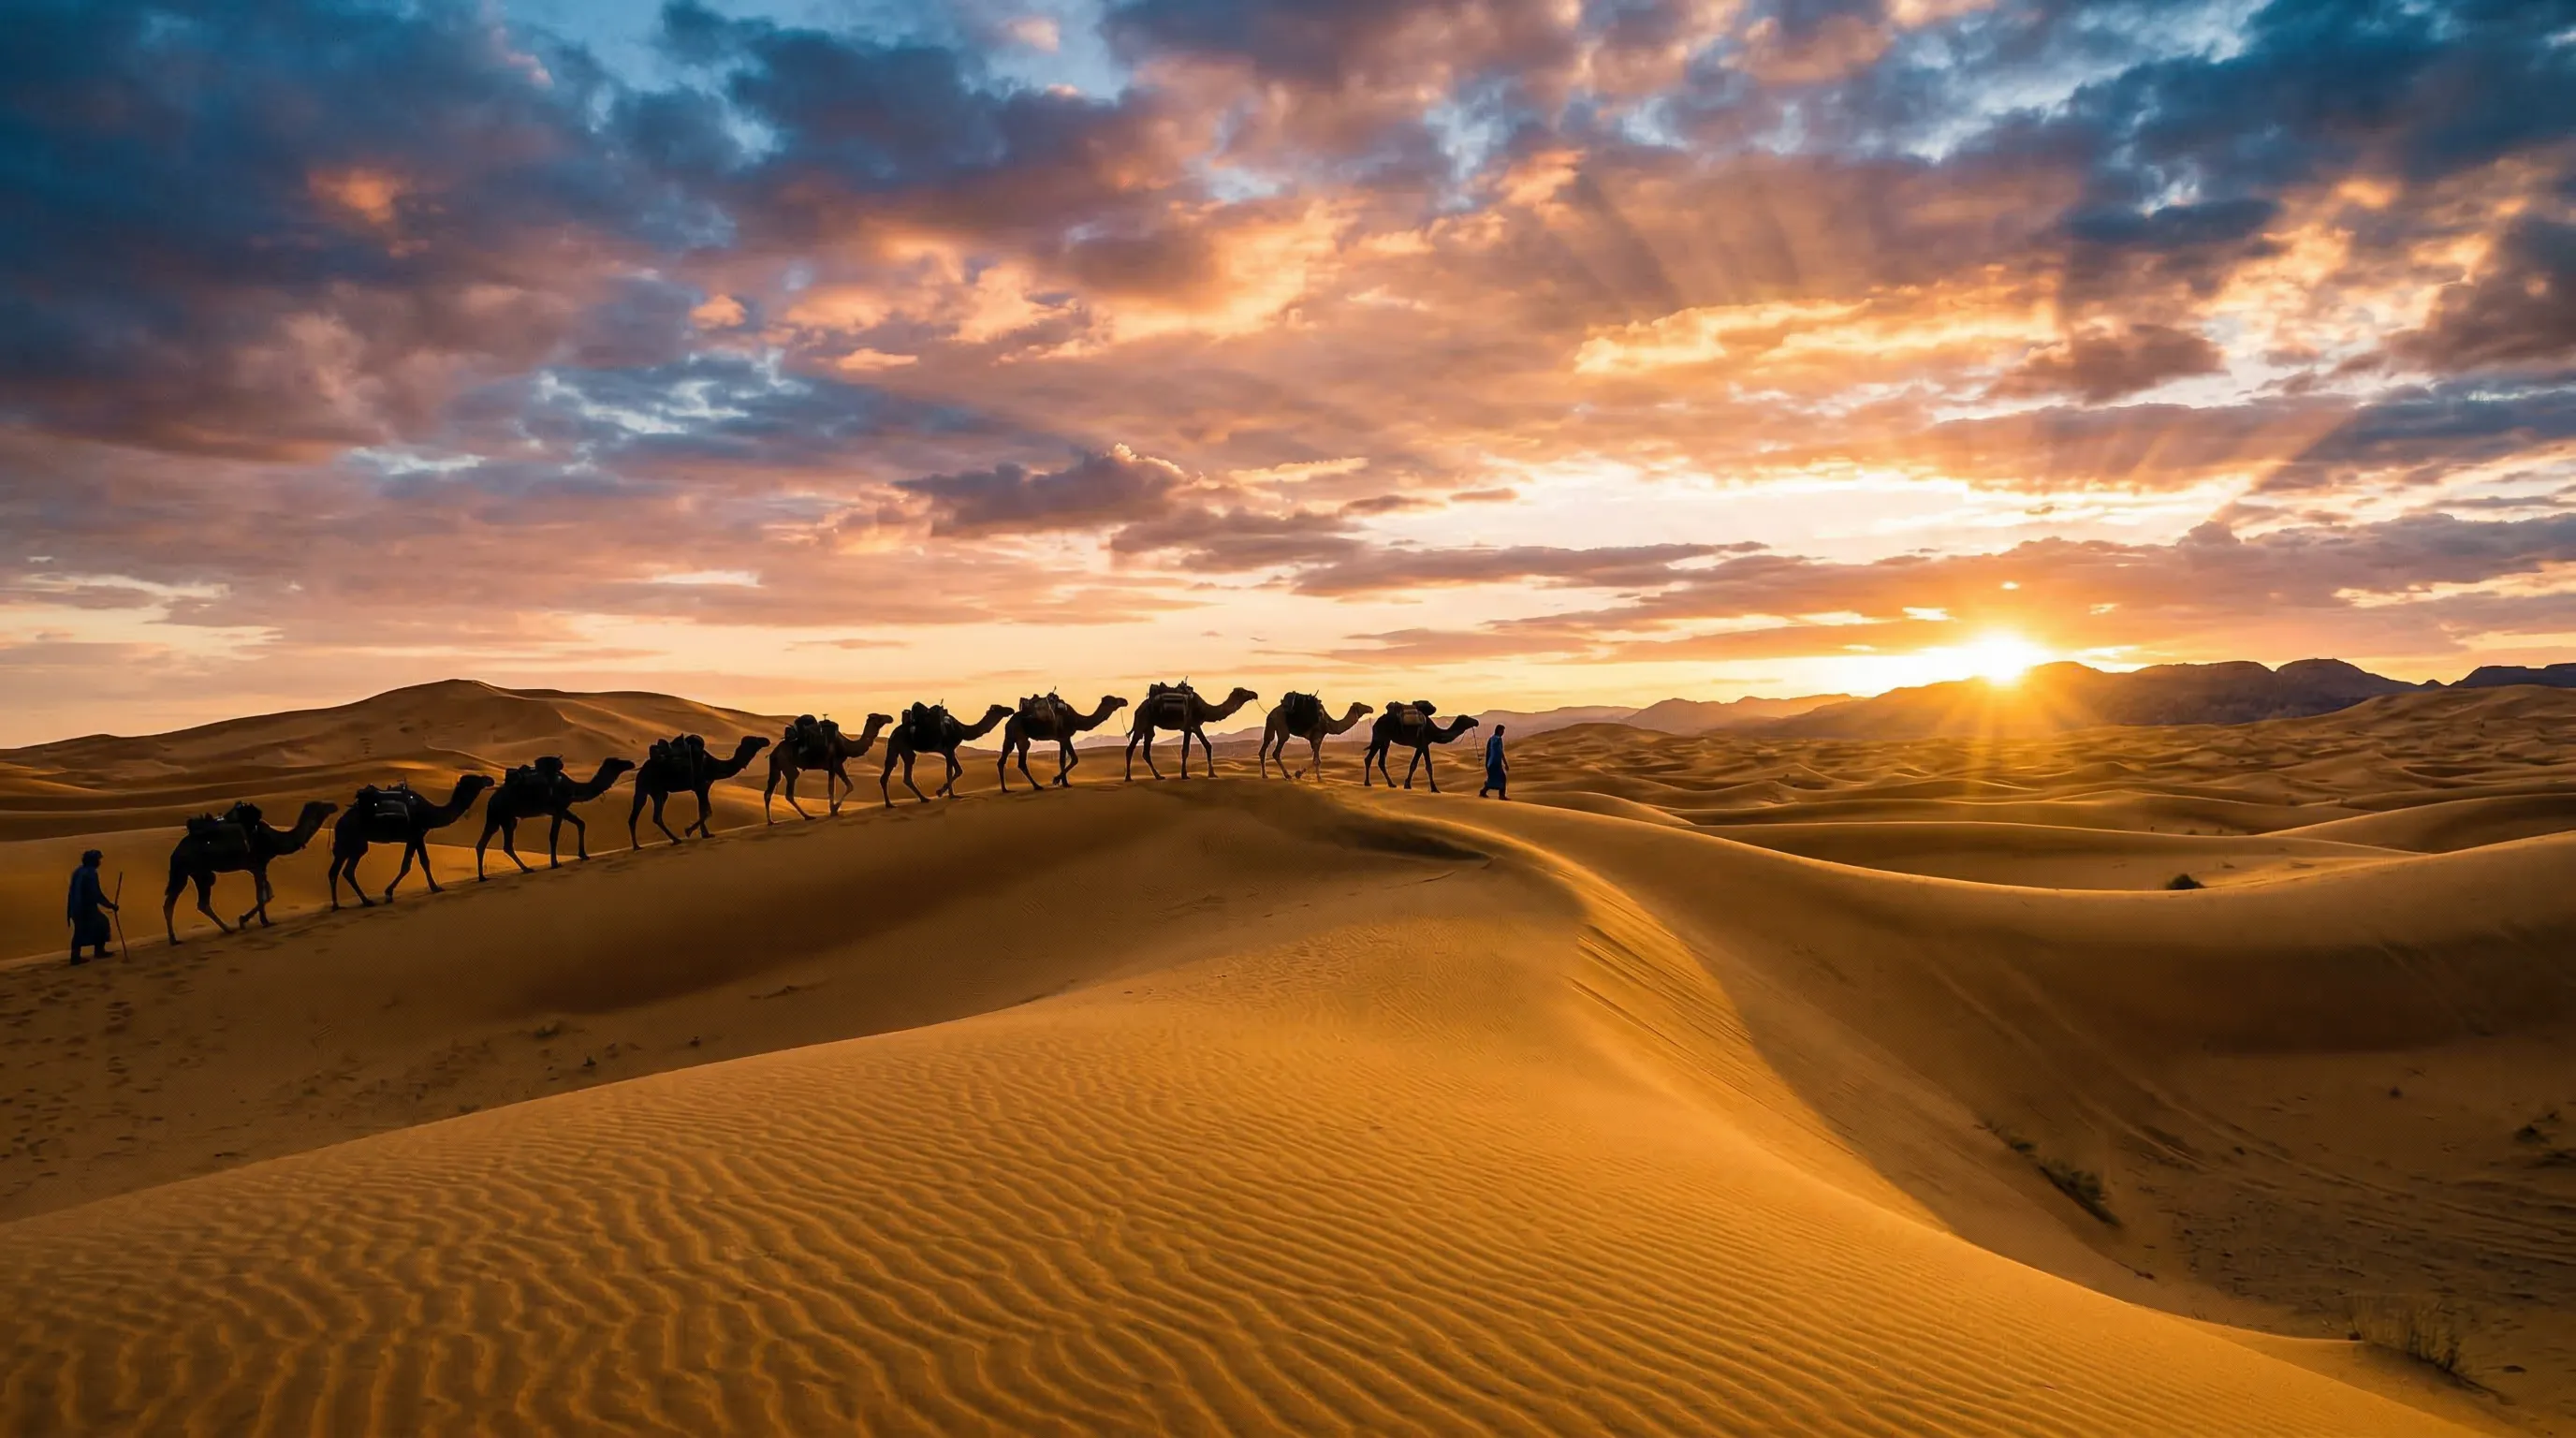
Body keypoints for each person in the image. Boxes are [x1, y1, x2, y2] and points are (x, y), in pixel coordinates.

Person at [66, 849, 117, 965]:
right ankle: (97, 952)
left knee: (80, 930)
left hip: (76, 907)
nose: (99, 862)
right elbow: (96, 894)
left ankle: (76, 956)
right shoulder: (90, 873)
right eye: (98, 859)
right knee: (101, 924)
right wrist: (110, 905)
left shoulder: (78, 871)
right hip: (84, 908)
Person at [1479, 724, 1509, 800]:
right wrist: (1505, 763)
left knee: (1492, 779)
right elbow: (1500, 752)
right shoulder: (1498, 739)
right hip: (1495, 763)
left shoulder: (1491, 739)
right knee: (1502, 778)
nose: (1503, 732)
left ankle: (1483, 792)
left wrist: (1487, 763)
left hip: (1491, 763)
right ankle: (1502, 795)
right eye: (1502, 730)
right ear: (1499, 730)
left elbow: (1488, 752)